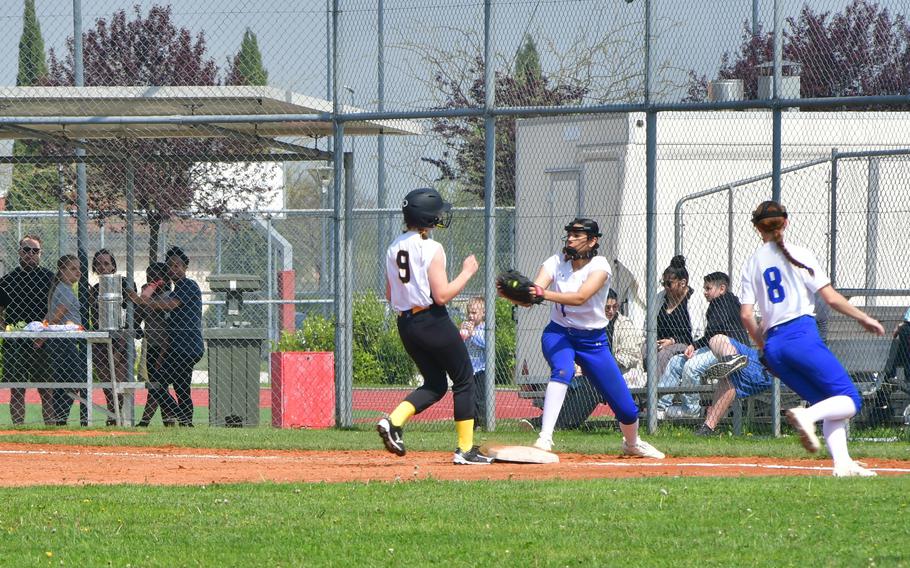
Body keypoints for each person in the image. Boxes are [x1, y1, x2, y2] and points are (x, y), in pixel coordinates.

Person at [740, 200, 884, 477]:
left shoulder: (752, 263)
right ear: (786, 222)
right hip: (800, 335)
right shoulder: (799, 253)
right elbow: (830, 298)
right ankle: (806, 416)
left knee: (831, 402)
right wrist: (863, 317)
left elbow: (747, 316)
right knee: (851, 399)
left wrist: (764, 349)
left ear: (758, 230)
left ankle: (842, 464)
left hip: (774, 345)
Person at [509, 217, 663, 458]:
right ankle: (545, 437)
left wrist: (542, 294)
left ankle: (632, 444)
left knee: (626, 407)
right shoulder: (555, 262)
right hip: (559, 333)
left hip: (593, 342)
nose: (571, 238)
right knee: (562, 370)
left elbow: (580, 297)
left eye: (577, 235)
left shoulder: (600, 266)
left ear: (593, 241)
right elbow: (533, 296)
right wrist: (517, 296)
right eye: (570, 233)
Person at [376, 187, 493, 465]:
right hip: (432, 320)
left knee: (436, 383)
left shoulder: (394, 247)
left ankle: (393, 421)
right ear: (427, 216)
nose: (441, 216)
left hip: (406, 323)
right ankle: (465, 450)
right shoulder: (432, 247)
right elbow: (441, 295)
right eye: (437, 212)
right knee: (464, 379)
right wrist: (467, 272)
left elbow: (390, 294)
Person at [519, 289, 646, 432]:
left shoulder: (624, 324)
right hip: (588, 371)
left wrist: (597, 366)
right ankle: (545, 422)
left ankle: (558, 424)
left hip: (621, 373)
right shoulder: (588, 324)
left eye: (614, 307)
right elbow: (576, 350)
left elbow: (630, 356)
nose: (611, 311)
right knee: (570, 383)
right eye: (607, 307)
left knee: (593, 386)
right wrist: (578, 366)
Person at [655, 272, 748, 420]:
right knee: (675, 362)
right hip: (713, 347)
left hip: (730, 351)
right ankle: (659, 407)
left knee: (691, 366)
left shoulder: (726, 302)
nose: (704, 292)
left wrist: (696, 345)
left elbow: (714, 334)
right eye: (705, 288)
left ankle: (691, 411)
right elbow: (711, 336)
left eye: (708, 288)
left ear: (722, 289)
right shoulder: (715, 304)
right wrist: (694, 346)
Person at [127, 247, 203, 427]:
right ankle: (187, 423)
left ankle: (181, 417)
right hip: (178, 348)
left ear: (185, 267)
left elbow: (169, 305)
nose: (173, 269)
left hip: (187, 347)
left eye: (177, 266)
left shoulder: (188, 285)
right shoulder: (178, 289)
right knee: (181, 388)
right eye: (170, 266)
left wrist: (141, 300)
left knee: (158, 385)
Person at [0, 235, 55, 424]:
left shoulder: (49, 278)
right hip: (16, 342)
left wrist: (43, 333)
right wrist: (7, 332)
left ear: (40, 254)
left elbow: (54, 310)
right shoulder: (7, 281)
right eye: (26, 250)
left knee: (46, 390)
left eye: (35, 251)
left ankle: (51, 430)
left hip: (44, 341)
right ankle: (18, 429)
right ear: (19, 253)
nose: (30, 254)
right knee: (16, 390)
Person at [693, 333, 772, 436]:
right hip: (755, 354)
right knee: (717, 338)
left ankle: (708, 427)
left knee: (730, 376)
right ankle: (730, 359)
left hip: (768, 367)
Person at [87, 249, 132, 425]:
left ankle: (120, 416)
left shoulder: (125, 284)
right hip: (101, 340)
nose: (102, 267)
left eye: (106, 263)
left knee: (120, 382)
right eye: (98, 264)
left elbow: (133, 312)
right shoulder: (95, 290)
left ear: (113, 266)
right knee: (107, 382)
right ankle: (113, 416)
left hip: (120, 339)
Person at [45, 255, 88, 426]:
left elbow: (50, 316)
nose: (78, 272)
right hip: (64, 340)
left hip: (62, 340)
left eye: (78, 268)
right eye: (72, 268)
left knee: (65, 379)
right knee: (74, 378)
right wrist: (46, 327)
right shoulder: (64, 290)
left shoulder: (63, 288)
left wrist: (44, 327)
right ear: (62, 271)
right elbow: (56, 317)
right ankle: (61, 417)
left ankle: (60, 417)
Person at [135, 263, 174, 427]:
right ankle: (169, 420)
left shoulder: (167, 298)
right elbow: (137, 319)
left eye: (155, 278)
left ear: (164, 280)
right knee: (157, 387)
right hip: (151, 346)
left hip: (164, 348)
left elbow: (169, 330)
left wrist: (163, 354)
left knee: (158, 387)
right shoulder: (148, 298)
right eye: (148, 277)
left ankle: (146, 421)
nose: (151, 281)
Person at [654, 255, 704, 380]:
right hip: (659, 341)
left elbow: (697, 333)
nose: (665, 287)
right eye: (663, 283)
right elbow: (649, 324)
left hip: (683, 343)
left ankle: (656, 393)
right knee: (643, 349)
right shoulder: (660, 298)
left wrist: (672, 341)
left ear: (683, 283)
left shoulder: (694, 300)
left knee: (663, 354)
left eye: (669, 284)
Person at [460, 296, 488, 429]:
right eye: (469, 313)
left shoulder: (485, 328)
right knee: (468, 398)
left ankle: (482, 422)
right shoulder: (466, 326)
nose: (471, 316)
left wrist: (473, 334)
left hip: (481, 369)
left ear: (483, 314)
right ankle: (472, 423)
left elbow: (486, 344)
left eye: (474, 313)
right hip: (468, 369)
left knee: (479, 399)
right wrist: (462, 334)